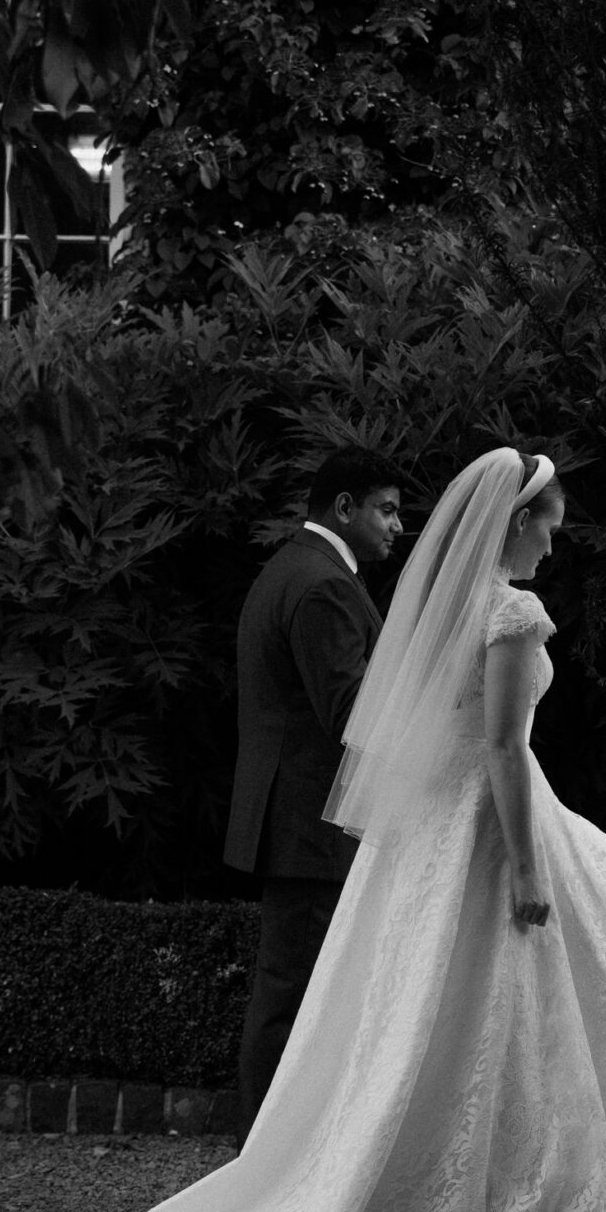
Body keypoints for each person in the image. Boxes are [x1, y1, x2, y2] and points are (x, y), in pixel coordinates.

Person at [0, 447, 606, 1212]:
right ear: (517, 519)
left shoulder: (398, 596)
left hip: (427, 824)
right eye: (551, 523)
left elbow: (418, 715)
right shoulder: (465, 605)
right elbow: (463, 737)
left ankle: (323, 1157)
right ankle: (318, 1162)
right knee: (351, 996)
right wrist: (522, 861)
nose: (556, 541)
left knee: (395, 1006)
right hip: (415, 819)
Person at [224, 448, 405, 1138]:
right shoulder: (325, 584)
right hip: (310, 822)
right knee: (292, 996)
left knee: (293, 994)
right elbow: (352, 711)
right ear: (345, 507)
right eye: (386, 509)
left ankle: (270, 1156)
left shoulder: (292, 567)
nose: (397, 525)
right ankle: (261, 1160)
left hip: (299, 818)